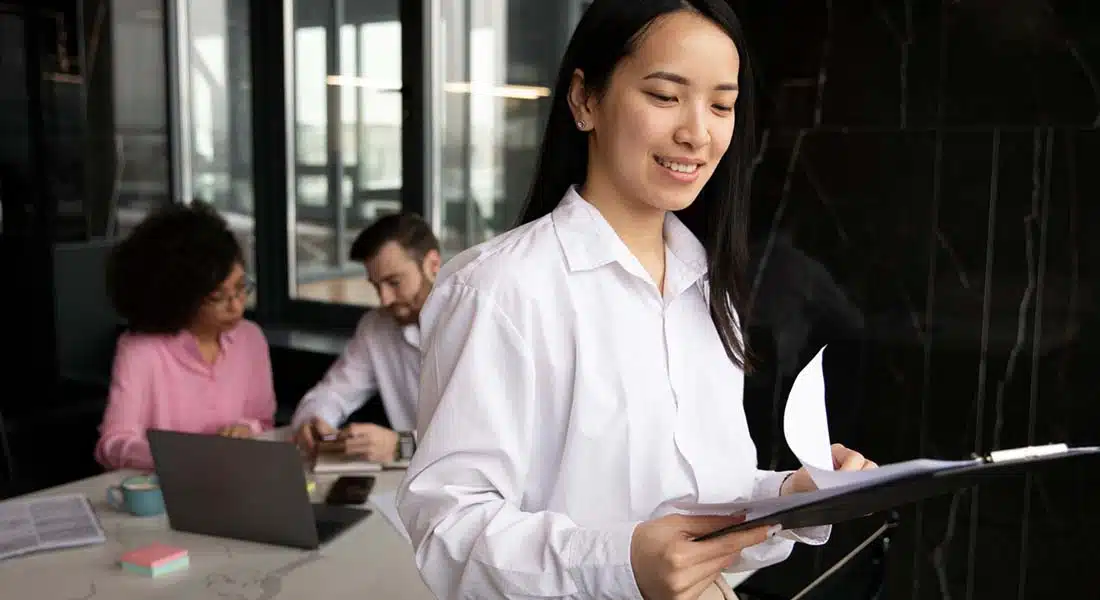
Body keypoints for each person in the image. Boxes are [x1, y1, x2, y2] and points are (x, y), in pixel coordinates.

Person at [396, 1, 877, 599]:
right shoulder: (499, 289)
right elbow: (447, 528)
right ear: (585, 100)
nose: (697, 133)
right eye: (665, 95)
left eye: (722, 105)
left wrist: (790, 500)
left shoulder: (707, 287)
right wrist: (621, 562)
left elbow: (694, 500)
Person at [94, 202, 275, 472]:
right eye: (217, 298)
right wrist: (180, 456)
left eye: (241, 288)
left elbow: (263, 420)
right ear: (181, 298)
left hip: (234, 483)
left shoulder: (250, 339)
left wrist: (246, 429)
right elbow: (112, 445)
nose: (236, 306)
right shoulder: (141, 351)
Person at [290, 213, 442, 463]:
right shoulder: (376, 327)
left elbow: (481, 440)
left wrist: (400, 446)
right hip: (406, 483)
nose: (384, 299)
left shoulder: (475, 325)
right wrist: (314, 421)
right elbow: (333, 393)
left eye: (394, 282)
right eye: (376, 285)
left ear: (432, 265)